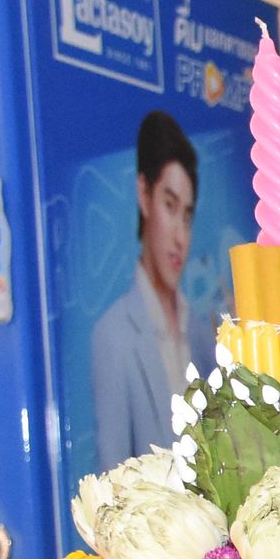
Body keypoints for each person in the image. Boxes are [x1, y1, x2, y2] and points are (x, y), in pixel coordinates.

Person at [89, 111, 210, 470]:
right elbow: (113, 480)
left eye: (187, 216)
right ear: (143, 194)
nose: (180, 236)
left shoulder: (204, 334)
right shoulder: (113, 335)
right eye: (169, 206)